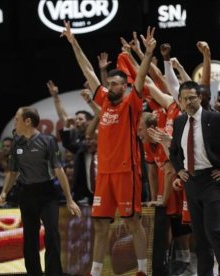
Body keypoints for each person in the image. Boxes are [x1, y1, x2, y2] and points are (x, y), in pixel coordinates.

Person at [61, 21, 156, 276]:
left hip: (127, 171)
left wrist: (147, 55)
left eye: (116, 85)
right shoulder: (103, 101)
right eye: (110, 84)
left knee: (132, 222)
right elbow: (88, 70)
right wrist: (73, 42)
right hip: (104, 174)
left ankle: (143, 271)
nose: (111, 87)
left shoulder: (131, 104)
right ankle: (95, 272)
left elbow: (141, 78)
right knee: (100, 225)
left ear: (124, 88)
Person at [169, 81, 220, 276]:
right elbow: (174, 152)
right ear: (179, 100)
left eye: (192, 98)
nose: (188, 102)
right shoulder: (179, 122)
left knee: (214, 231)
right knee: (199, 235)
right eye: (184, 99)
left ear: (200, 98)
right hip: (191, 181)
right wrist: (179, 170)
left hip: (213, 180)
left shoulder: (216, 119)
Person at [0, 106, 81, 276]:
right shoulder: (16, 143)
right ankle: (34, 273)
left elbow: (59, 171)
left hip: (47, 193)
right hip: (26, 194)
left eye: (17, 119)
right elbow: (12, 172)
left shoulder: (48, 141)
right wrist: (4, 192)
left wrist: (69, 199)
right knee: (30, 237)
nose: (15, 122)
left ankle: (53, 273)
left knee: (52, 233)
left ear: (28, 121)